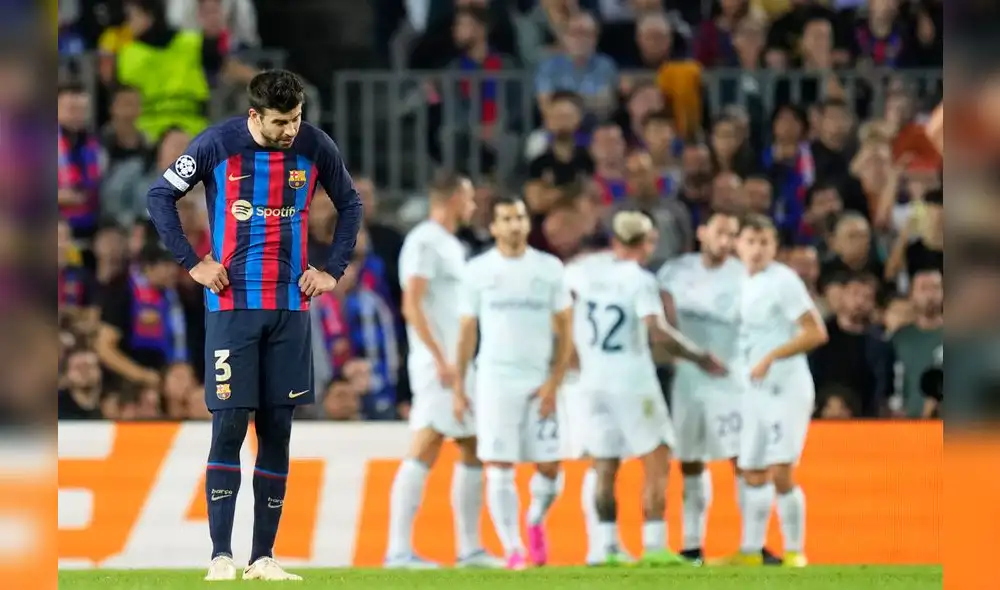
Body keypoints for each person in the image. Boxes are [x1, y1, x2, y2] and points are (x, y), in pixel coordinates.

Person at [145, 69, 363, 581]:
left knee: (278, 429)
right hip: (231, 304)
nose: (290, 130)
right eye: (280, 122)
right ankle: (221, 556)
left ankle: (262, 557)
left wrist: (332, 269)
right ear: (254, 116)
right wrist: (192, 261)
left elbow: (351, 202)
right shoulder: (217, 144)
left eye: (296, 118)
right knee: (229, 423)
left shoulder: (315, 145)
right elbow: (160, 195)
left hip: (291, 304)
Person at [568, 211, 726, 567]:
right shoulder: (640, 281)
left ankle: (606, 547)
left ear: (615, 241)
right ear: (648, 243)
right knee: (657, 457)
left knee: (605, 465)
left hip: (592, 382)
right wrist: (699, 356)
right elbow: (657, 331)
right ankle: (653, 546)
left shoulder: (586, 274)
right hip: (631, 381)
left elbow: (569, 284)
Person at [383, 171, 502, 569]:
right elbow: (411, 304)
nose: (473, 207)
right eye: (468, 199)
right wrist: (440, 359)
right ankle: (398, 550)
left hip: (460, 364)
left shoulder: (452, 245)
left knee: (471, 445)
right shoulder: (424, 241)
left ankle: (470, 549)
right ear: (452, 198)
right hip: (438, 365)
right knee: (427, 441)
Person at [453, 196, 574, 570]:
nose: (514, 225)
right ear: (493, 228)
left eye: (520, 217)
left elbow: (566, 329)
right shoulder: (477, 270)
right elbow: (466, 332)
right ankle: (513, 548)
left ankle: (536, 518)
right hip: (495, 379)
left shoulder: (549, 268)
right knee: (500, 464)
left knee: (551, 466)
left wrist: (555, 380)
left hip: (540, 380)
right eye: (506, 219)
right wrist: (459, 386)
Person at [721, 213, 828, 568]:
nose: (756, 249)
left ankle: (796, 550)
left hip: (787, 387)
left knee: (781, 471)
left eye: (764, 242)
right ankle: (751, 551)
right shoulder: (740, 282)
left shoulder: (783, 281)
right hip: (754, 390)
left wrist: (772, 356)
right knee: (751, 469)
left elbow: (815, 332)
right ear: (738, 245)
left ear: (775, 247)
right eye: (750, 242)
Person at [657, 210, 748, 564]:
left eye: (732, 235)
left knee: (741, 460)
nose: (725, 242)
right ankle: (693, 545)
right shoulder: (675, 272)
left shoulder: (743, 277)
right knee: (691, 462)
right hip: (687, 382)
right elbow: (662, 318)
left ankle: (751, 544)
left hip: (729, 381)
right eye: (720, 233)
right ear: (702, 233)